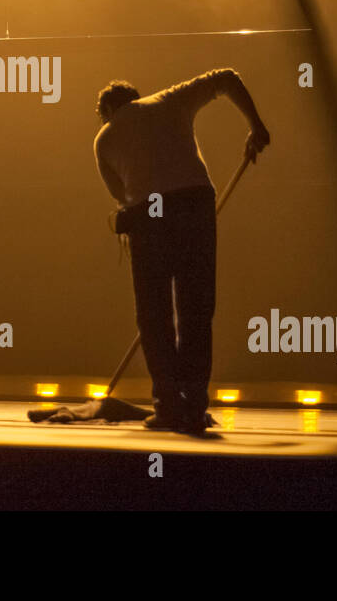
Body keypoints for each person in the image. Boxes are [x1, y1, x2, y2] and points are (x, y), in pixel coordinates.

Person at [93, 69, 269, 433]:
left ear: (108, 111)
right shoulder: (170, 99)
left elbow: (123, 199)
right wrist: (256, 126)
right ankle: (192, 405)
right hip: (194, 203)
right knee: (195, 307)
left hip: (148, 213)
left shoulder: (104, 138)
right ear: (137, 97)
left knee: (154, 314)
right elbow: (228, 78)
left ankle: (169, 405)